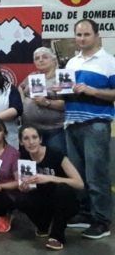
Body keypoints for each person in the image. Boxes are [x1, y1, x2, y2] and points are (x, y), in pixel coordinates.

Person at [63, 18, 114, 238]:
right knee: (78, 174)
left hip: (96, 124)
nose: (82, 39)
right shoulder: (71, 63)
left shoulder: (109, 62)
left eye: (86, 34)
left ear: (96, 35)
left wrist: (93, 91)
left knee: (97, 175)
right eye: (79, 35)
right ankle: (85, 213)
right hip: (72, 123)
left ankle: (102, 221)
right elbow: (65, 92)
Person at [16, 126, 83, 250]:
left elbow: (79, 183)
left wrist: (50, 178)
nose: (31, 142)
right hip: (44, 201)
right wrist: (24, 187)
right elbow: (25, 187)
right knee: (20, 198)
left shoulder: (56, 154)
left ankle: (57, 237)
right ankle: (43, 226)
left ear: (40, 139)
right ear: (21, 142)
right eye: (26, 138)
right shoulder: (23, 157)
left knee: (62, 190)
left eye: (34, 137)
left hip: (64, 201)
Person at [19, 47, 66, 155]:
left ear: (54, 60)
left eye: (44, 57)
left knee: (56, 161)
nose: (40, 60)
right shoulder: (33, 76)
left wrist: (47, 102)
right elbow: (20, 87)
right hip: (31, 130)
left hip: (54, 130)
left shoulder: (62, 77)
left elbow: (69, 105)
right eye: (37, 58)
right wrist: (22, 101)